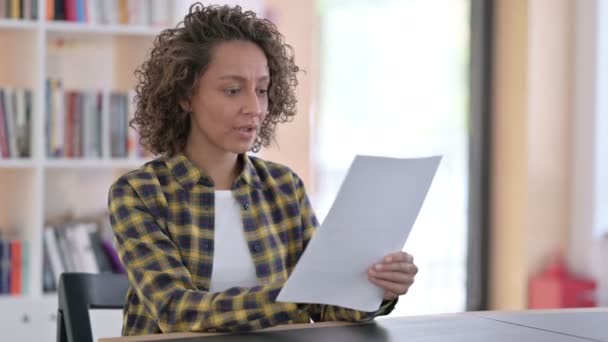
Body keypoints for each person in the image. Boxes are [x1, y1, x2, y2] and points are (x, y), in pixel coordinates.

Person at [108, 3, 418, 336]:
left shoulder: (284, 187)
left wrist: (375, 289)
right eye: (232, 90)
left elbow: (326, 306)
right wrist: (298, 295)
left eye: (261, 90)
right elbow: (177, 311)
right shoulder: (139, 192)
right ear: (185, 96)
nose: (254, 108)